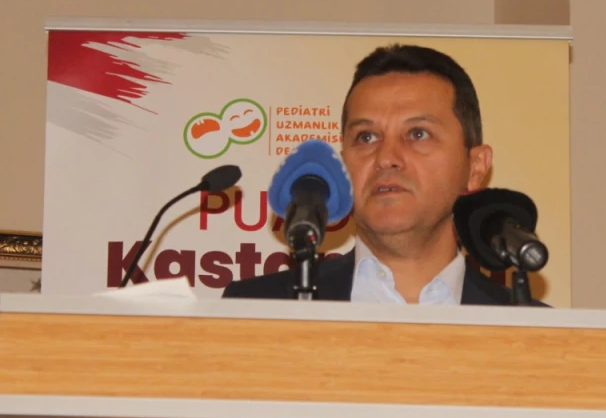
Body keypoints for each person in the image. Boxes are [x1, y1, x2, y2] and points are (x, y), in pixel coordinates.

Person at [224, 43, 540, 305]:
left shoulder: (536, 329)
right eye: (366, 137)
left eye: (418, 134)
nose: (386, 158)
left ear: (476, 167)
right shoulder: (255, 307)